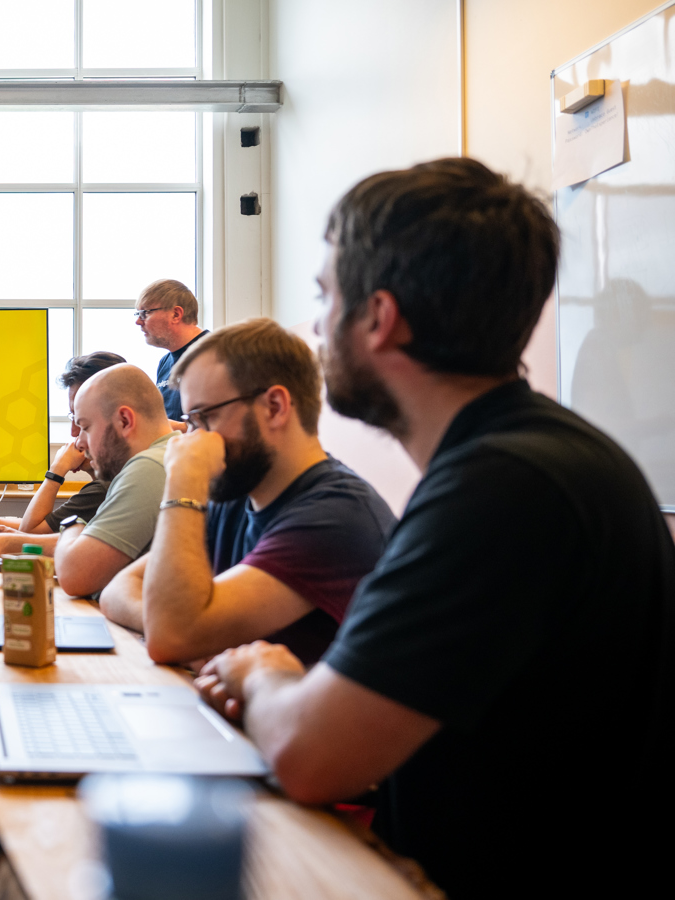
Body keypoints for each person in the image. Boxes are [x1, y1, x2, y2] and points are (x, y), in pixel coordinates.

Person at [192, 158, 675, 896]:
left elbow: (307, 753)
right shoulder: (523, 459)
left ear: (380, 318)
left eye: (326, 297)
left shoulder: (503, 490)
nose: (317, 325)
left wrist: (264, 673)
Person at [98, 318, 396, 667]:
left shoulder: (338, 516)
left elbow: (173, 636)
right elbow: (117, 590)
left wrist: (182, 480)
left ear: (274, 407)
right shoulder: (236, 491)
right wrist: (208, 648)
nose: (191, 440)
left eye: (203, 418)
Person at [0, 364, 174, 598]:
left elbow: (76, 574)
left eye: (86, 427)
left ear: (124, 420)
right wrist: (5, 542)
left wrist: (73, 525)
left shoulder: (149, 466)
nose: (80, 443)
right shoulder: (165, 455)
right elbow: (87, 548)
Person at [0, 352, 124, 539]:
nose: (74, 433)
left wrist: (56, 471)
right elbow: (44, 525)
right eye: (73, 418)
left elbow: (30, 531)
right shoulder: (106, 485)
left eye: (83, 423)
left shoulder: (104, 489)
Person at [135, 279, 207, 422]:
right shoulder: (165, 362)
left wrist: (161, 427)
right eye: (138, 314)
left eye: (145, 313)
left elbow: (219, 426)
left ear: (176, 314)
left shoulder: (215, 355)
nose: (138, 322)